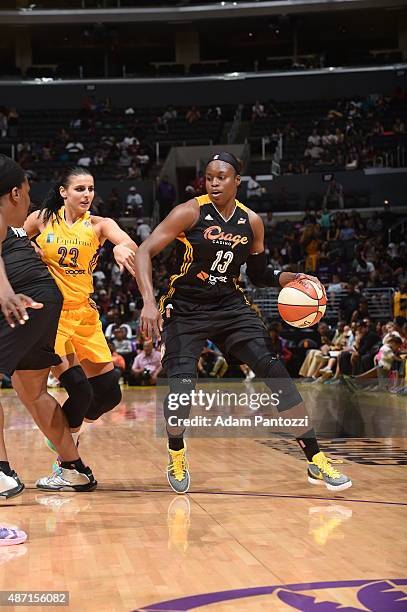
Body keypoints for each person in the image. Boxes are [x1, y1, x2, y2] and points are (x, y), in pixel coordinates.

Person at [134, 151, 352, 494]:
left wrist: (291, 276)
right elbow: (144, 250)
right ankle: (176, 451)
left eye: (222, 177)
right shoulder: (190, 211)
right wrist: (148, 302)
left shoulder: (252, 222)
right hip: (186, 308)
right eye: (209, 177)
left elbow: (261, 273)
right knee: (181, 388)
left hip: (230, 306)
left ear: (237, 181)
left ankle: (315, 458)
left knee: (274, 371)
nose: (215, 182)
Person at [24, 167, 137, 486]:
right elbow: (11, 239)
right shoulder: (42, 219)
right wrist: (26, 251)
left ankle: (67, 435)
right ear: (64, 192)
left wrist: (121, 248)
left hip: (85, 315)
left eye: (90, 188)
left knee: (109, 395)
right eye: (80, 189)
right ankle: (66, 457)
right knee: (81, 390)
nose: (87, 194)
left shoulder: (100, 224)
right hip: (51, 316)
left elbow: (129, 243)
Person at [0, 155, 96, 513]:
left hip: (23, 294)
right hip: (44, 296)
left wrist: (5, 291)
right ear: (13, 193)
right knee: (33, 390)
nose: (29, 199)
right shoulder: (8, 219)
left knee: (33, 389)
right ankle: (74, 469)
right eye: (26, 192)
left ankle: (1, 473)